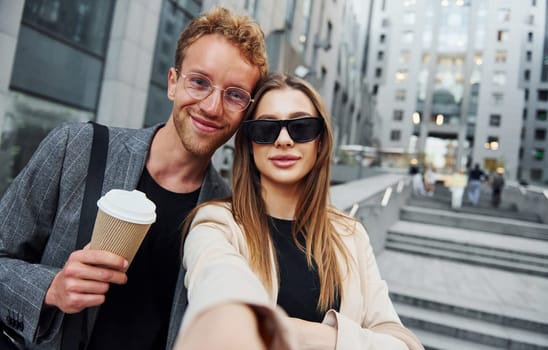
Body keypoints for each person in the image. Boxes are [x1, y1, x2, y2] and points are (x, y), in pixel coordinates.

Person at [0, 7, 271, 350]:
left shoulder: (228, 214)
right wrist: (51, 289)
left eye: (234, 94)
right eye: (200, 82)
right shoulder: (78, 148)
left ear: (246, 109)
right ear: (173, 82)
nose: (213, 107)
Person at [177, 73, 424, 349]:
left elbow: (403, 343)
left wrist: (290, 331)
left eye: (302, 127)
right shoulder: (218, 224)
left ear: (320, 142)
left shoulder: (350, 234)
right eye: (266, 129)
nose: (283, 140)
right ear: (248, 144)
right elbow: (219, 285)